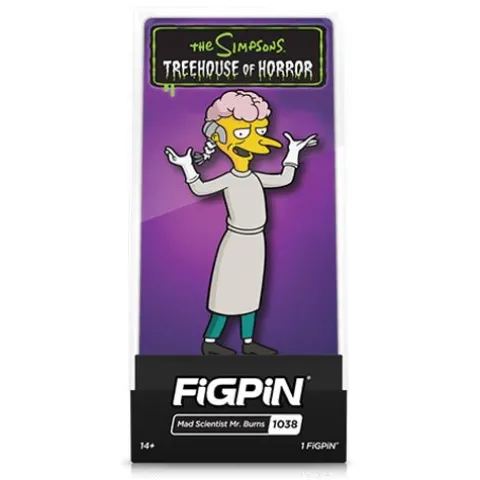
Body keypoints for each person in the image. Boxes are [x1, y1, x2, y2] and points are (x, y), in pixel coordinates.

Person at [165, 90, 317, 355]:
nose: (255, 140)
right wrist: (187, 165)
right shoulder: (229, 179)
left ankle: (248, 343)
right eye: (243, 133)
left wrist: (293, 151)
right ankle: (210, 343)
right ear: (219, 139)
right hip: (236, 242)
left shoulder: (256, 178)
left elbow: (285, 178)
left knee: (251, 292)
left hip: (257, 241)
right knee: (225, 295)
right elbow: (200, 188)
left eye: (259, 131)